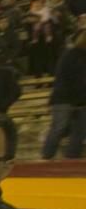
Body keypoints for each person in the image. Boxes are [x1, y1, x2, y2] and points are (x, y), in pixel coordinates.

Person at [42, 28, 86, 159]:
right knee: (59, 128)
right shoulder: (71, 54)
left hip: (81, 100)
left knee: (80, 130)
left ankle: (72, 158)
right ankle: (46, 157)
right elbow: (68, 78)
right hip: (64, 99)